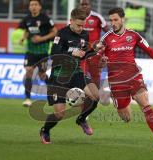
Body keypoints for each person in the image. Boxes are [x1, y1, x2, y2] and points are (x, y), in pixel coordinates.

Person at [95, 7, 153, 149]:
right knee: (126, 118)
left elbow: (148, 49)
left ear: (123, 19)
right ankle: (120, 100)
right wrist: (101, 62)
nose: (113, 23)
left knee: (145, 104)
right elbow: (98, 61)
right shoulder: (106, 38)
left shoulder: (133, 35)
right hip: (116, 81)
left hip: (134, 76)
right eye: (111, 20)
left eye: (115, 20)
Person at [39, 8, 100, 144]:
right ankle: (45, 130)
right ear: (71, 21)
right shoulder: (61, 34)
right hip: (59, 75)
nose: (80, 28)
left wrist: (95, 52)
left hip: (76, 73)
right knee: (59, 114)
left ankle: (82, 119)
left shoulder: (85, 35)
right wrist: (72, 53)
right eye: (78, 25)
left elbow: (83, 55)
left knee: (95, 96)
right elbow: (54, 56)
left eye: (83, 25)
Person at [20, 0, 57, 107]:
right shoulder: (27, 19)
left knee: (41, 75)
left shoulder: (45, 18)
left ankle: (52, 94)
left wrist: (42, 38)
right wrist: (23, 38)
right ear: (29, 7)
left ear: (40, 7)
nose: (34, 7)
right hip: (30, 51)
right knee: (29, 71)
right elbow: (27, 31)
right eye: (32, 5)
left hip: (43, 51)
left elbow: (55, 32)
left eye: (36, 5)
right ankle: (27, 98)